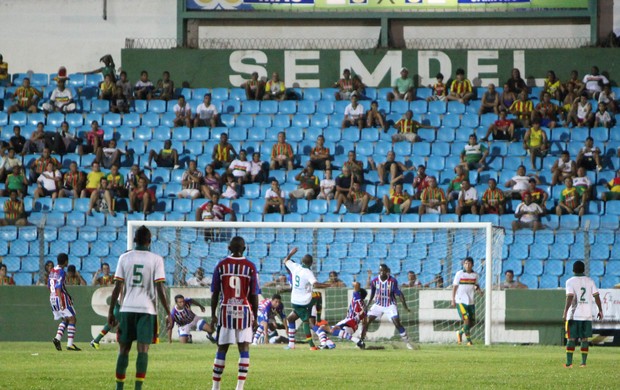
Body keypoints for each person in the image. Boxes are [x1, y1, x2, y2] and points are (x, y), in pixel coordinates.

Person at [107, 226, 170, 389]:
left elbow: (117, 288)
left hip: (127, 308)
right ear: (149, 241)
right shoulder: (156, 259)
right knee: (143, 349)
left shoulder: (124, 258)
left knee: (123, 349)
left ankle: (119, 387)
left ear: (134, 240)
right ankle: (138, 388)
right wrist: (169, 312)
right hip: (147, 310)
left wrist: (111, 312)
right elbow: (160, 289)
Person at [210, 236, 259, 390]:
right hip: (244, 311)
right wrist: (255, 317)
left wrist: (213, 314)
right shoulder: (250, 267)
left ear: (228, 248)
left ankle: (216, 387)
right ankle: (239, 387)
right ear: (244, 249)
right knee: (244, 348)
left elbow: (215, 292)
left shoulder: (221, 265)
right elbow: (254, 295)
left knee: (222, 348)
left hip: (226, 311)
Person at [282, 247, 330, 350]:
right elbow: (316, 284)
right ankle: (314, 344)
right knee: (308, 322)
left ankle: (291, 344)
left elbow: (285, 261)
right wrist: (328, 285)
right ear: (311, 264)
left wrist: (291, 253)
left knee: (291, 319)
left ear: (301, 261)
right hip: (306, 301)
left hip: (294, 301)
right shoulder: (308, 272)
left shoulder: (295, 267)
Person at [358, 264, 412, 350]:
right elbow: (372, 294)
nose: (382, 272)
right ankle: (360, 341)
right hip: (378, 305)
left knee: (397, 323)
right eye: (380, 270)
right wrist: (367, 305)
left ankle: (408, 343)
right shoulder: (374, 281)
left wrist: (405, 307)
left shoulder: (392, 281)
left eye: (384, 270)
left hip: (390, 305)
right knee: (366, 321)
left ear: (387, 271)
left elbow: (399, 294)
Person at [562, 260, 603, 368]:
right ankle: (583, 363)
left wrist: (565, 311)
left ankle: (569, 363)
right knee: (584, 339)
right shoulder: (590, 281)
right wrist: (600, 310)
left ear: (573, 270)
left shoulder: (570, 281)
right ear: (584, 269)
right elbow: (596, 296)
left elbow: (570, 296)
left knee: (571, 338)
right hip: (587, 314)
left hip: (574, 315)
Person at [316, 281, 367, 349]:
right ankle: (328, 344)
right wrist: (362, 337)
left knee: (322, 328)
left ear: (359, 293)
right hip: (353, 328)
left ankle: (357, 341)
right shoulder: (365, 308)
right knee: (329, 330)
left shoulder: (356, 298)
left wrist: (351, 282)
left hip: (349, 321)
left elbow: (357, 284)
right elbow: (365, 324)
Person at [49, 253, 81, 351]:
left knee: (65, 319)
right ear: (66, 261)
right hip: (60, 297)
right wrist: (62, 301)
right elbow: (59, 287)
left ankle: (57, 338)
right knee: (72, 319)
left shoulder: (52, 271)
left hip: (52, 297)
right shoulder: (61, 272)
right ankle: (70, 344)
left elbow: (49, 286)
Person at [451, 257, 482, 346]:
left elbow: (476, 285)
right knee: (467, 320)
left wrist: (479, 291)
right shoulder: (459, 274)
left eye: (469, 263)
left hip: (470, 301)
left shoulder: (475, 275)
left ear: (472, 265)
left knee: (472, 322)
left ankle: (460, 332)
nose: (467, 265)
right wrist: (453, 299)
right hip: (460, 300)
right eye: (465, 263)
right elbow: (455, 287)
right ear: (463, 264)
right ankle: (469, 341)